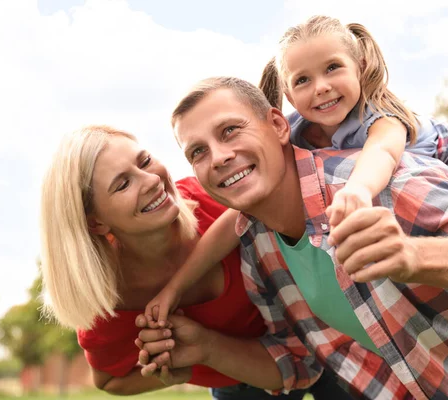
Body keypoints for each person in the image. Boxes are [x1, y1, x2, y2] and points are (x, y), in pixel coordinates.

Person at [143, 18, 448, 392]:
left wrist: (414, 255)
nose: (217, 157)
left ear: (277, 124)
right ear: (290, 99)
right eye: (197, 152)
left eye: (231, 130)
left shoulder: (383, 180)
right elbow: (303, 363)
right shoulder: (257, 247)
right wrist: (204, 348)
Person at [38, 125, 355, 399]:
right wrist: (176, 367)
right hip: (244, 385)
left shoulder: (214, 198)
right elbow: (108, 380)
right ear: (96, 224)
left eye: (145, 161)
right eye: (122, 184)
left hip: (336, 338)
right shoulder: (109, 301)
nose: (150, 180)